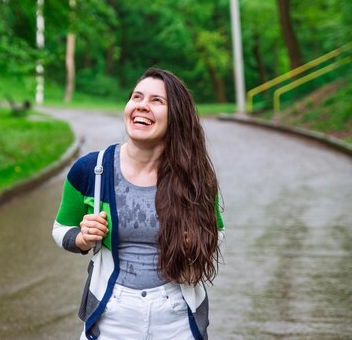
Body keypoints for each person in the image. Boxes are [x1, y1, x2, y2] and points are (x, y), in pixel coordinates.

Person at [52, 67, 225, 340]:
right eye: (137, 97)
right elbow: (60, 230)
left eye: (157, 100)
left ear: (176, 116)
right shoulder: (92, 170)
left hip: (176, 316)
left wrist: (196, 239)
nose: (142, 106)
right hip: (111, 315)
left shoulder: (195, 176)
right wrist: (83, 238)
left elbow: (218, 231)